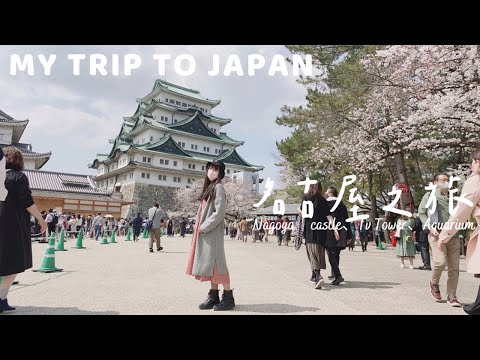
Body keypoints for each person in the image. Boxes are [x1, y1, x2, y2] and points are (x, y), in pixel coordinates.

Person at [0, 147, 47, 312]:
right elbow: (27, 201)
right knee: (13, 262)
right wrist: (41, 220)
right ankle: (2, 298)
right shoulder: (18, 177)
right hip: (11, 224)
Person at [186, 160, 234, 311]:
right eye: (210, 169)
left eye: (216, 170)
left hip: (211, 233)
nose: (212, 172)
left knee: (218, 265)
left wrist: (204, 227)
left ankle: (228, 297)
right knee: (210, 266)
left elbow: (219, 212)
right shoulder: (210, 187)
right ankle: (214, 295)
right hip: (206, 233)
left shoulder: (219, 187)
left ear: (220, 173)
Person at [438, 148, 480, 314]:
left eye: (473, 161)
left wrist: (444, 236)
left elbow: (460, 213)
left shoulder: (475, 181)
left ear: (477, 163)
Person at [419, 173, 462, 307]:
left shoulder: (455, 196)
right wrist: (430, 227)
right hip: (436, 235)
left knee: (454, 268)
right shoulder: (429, 196)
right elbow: (422, 212)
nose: (445, 182)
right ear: (436, 182)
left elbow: (462, 214)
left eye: (447, 180)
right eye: (442, 180)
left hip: (453, 235)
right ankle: (434, 283)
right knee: (440, 262)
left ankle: (452, 296)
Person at [300, 181, 331, 289]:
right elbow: (329, 216)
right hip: (322, 230)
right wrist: (335, 229)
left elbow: (303, 212)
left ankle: (318, 276)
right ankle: (314, 275)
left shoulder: (306, 197)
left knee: (312, 253)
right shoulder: (323, 200)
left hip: (310, 229)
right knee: (319, 252)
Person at [325, 186, 349, 285]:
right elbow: (347, 220)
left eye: (327, 191)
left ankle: (338, 275)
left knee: (330, 253)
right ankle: (334, 273)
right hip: (342, 230)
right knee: (337, 253)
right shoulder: (342, 204)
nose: (325, 192)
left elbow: (325, 218)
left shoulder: (327, 204)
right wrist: (349, 235)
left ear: (330, 192)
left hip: (330, 230)